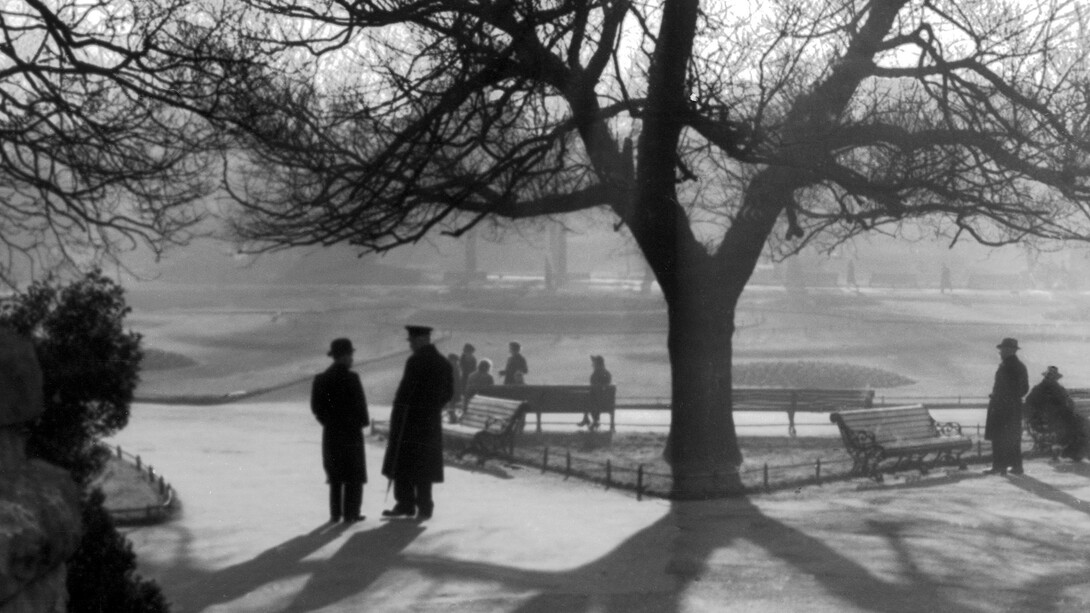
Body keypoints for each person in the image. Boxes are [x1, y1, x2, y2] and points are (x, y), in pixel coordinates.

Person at [382, 325, 454, 520]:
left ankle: (405, 504)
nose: (411, 345)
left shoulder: (415, 361)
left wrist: (400, 412)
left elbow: (405, 391)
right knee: (424, 465)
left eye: (412, 341)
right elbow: (449, 392)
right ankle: (425, 506)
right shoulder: (443, 362)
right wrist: (433, 408)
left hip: (409, 420)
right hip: (429, 421)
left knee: (404, 462)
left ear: (422, 340)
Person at [310, 338, 370, 523]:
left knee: (335, 474)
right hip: (351, 433)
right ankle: (352, 513)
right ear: (344, 356)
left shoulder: (321, 379)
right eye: (350, 355)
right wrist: (360, 423)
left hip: (332, 433)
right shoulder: (352, 378)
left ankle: (335, 513)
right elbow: (361, 407)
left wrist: (328, 423)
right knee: (354, 474)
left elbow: (316, 408)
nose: (352, 359)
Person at [1024, 366, 1090, 461]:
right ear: (1046, 376)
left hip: (1061, 415)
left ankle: (1076, 451)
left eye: (1052, 376)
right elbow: (1029, 402)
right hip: (1051, 417)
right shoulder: (1040, 389)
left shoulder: (1057, 387)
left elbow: (1068, 400)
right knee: (1078, 425)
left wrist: (1069, 407)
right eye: (1049, 376)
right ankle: (1074, 451)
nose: (1051, 378)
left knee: (1083, 423)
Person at [984, 337, 1029, 476]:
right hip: (1012, 407)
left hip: (1003, 407)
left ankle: (999, 466)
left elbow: (1015, 388)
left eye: (1002, 349)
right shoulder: (1017, 365)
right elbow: (1024, 389)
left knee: (999, 437)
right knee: (1011, 437)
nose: (1000, 352)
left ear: (1010, 350)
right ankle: (1015, 466)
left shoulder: (1008, 366)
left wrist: (1000, 397)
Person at [579, 355, 612, 429]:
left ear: (597, 364)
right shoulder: (607, 373)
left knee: (588, 398)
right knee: (589, 398)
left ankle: (594, 420)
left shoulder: (595, 374)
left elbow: (593, 387)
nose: (592, 365)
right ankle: (589, 419)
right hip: (605, 401)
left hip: (598, 401)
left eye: (593, 363)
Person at [446, 353, 463, 424]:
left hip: (451, 388)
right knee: (451, 403)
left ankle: (452, 418)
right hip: (452, 388)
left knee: (451, 403)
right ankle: (452, 418)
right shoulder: (454, 367)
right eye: (455, 360)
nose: (456, 362)